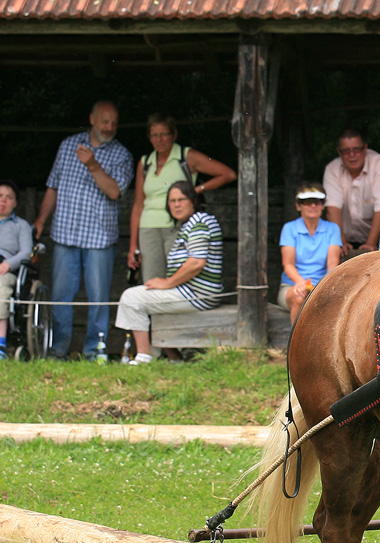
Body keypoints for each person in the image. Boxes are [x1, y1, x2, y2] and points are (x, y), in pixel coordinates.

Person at [33, 101, 134, 360]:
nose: (109, 127)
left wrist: (93, 165)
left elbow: (114, 191)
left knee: (99, 299)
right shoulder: (69, 146)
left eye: (113, 122)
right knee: (61, 297)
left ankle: (95, 353)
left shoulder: (122, 154)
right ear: (92, 119)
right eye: (104, 121)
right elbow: (53, 187)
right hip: (65, 234)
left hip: (99, 238)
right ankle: (58, 350)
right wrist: (42, 220)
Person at [114, 181, 223, 364]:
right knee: (149, 300)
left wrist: (167, 283)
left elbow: (196, 263)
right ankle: (176, 359)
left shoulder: (200, 221)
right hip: (193, 293)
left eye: (181, 199)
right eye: (172, 201)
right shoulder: (190, 225)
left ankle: (143, 356)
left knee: (131, 298)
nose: (177, 205)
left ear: (194, 201)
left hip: (198, 294)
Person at [129, 113, 236, 284]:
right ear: (149, 138)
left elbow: (228, 174)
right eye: (155, 135)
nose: (160, 139)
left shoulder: (186, 156)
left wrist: (197, 190)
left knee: (178, 280)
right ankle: (156, 313)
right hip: (148, 229)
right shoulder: (145, 162)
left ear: (174, 135)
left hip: (178, 227)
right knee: (152, 282)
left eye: (164, 134)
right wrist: (133, 246)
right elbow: (137, 206)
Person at [322, 128, 380, 257]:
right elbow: (332, 210)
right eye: (346, 151)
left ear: (365, 148)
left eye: (357, 149)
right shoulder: (332, 169)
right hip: (347, 241)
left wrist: (371, 243)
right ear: (339, 151)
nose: (352, 155)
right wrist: (341, 242)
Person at [277, 183, 343, 323]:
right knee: (300, 297)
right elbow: (288, 264)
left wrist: (323, 287)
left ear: (323, 205)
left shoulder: (332, 229)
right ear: (298, 206)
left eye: (317, 202)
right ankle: (296, 344)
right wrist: (300, 283)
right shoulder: (290, 228)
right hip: (292, 286)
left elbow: (332, 263)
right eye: (307, 202)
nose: (313, 206)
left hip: (323, 285)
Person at [0, 179, 34, 360]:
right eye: (0, 196)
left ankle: (1, 344)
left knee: (1, 286)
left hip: (6, 270)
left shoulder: (21, 226)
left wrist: (7, 264)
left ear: (15, 203)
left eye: (8, 197)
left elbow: (26, 253)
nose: (3, 201)